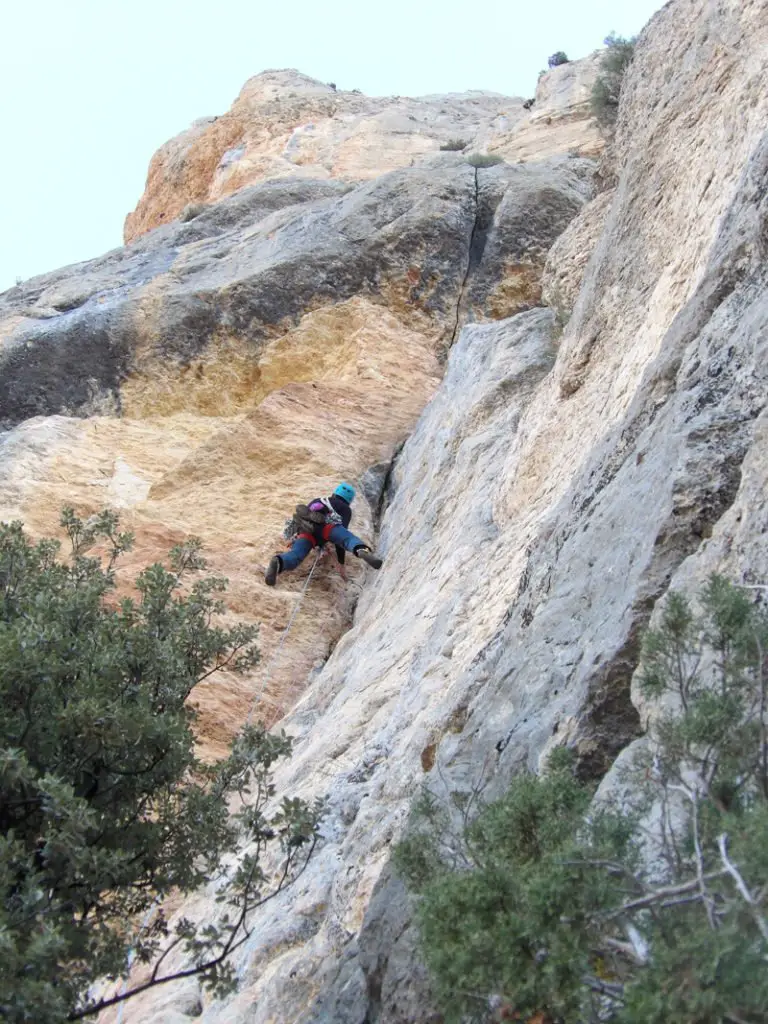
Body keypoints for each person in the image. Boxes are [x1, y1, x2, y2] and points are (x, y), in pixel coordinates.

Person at [265, 482, 383, 586]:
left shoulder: (318, 500)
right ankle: (361, 550)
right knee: (348, 539)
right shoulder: (345, 509)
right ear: (349, 500)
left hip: (306, 532)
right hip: (328, 528)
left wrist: (295, 537)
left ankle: (279, 561)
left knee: (297, 554)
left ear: (334, 493)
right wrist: (341, 564)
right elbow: (341, 539)